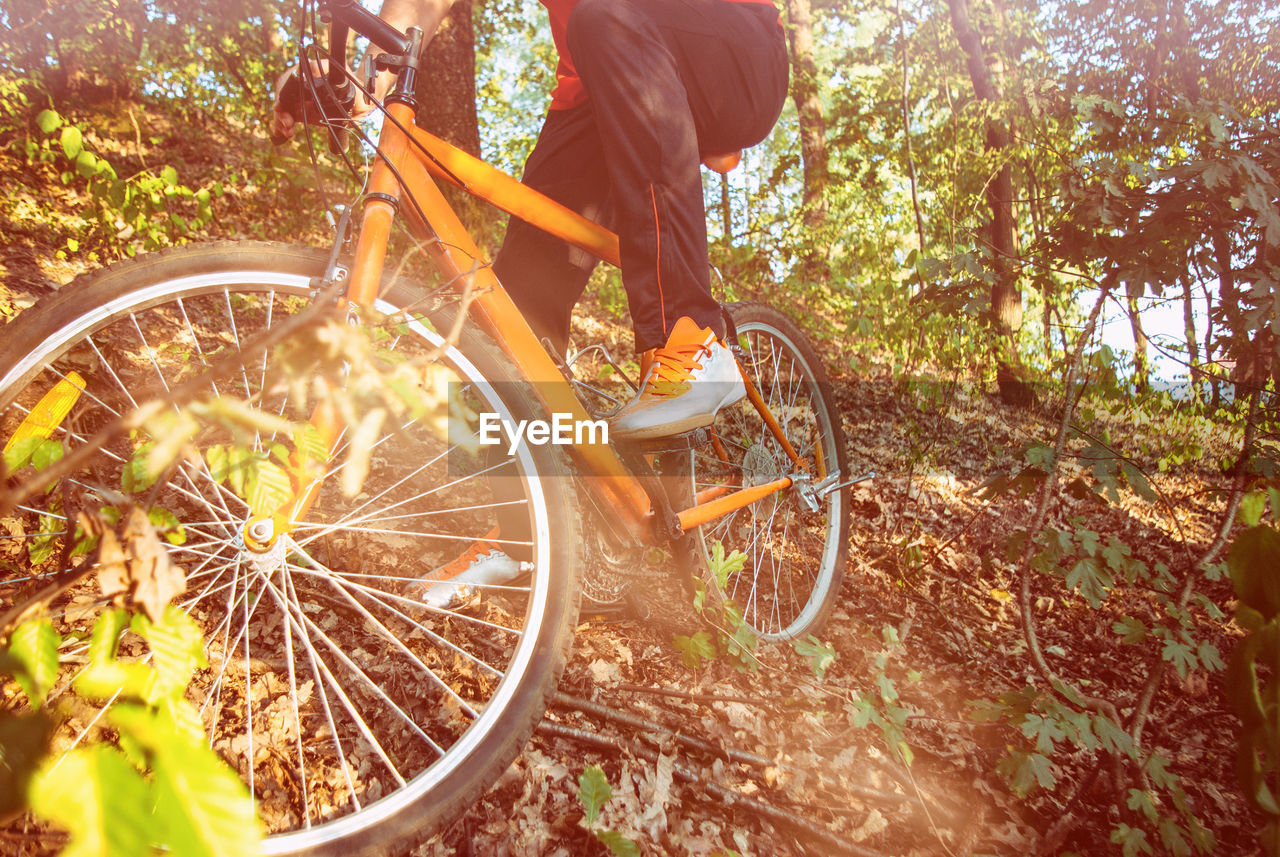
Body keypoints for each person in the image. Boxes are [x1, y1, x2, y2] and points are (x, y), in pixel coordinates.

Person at [274, 0, 789, 601]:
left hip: (734, 46)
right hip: (604, 82)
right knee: (507, 312)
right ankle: (521, 534)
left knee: (604, 17)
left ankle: (694, 337)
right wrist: (367, 72)